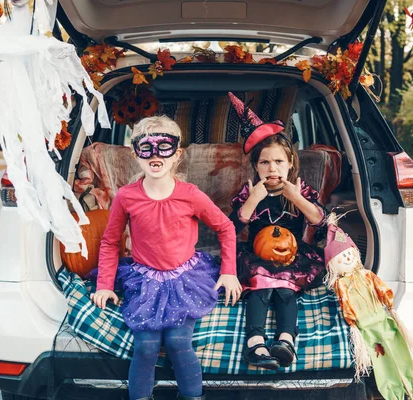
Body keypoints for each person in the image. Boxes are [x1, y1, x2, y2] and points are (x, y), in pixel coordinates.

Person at [90, 115, 242, 400]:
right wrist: (104, 285)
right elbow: (110, 242)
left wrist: (229, 271)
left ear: (177, 155)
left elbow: (225, 227)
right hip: (144, 280)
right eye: (146, 147)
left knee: (177, 342)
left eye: (165, 146)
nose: (155, 155)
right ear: (136, 154)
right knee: (146, 347)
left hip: (185, 281)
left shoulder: (191, 195)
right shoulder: (126, 196)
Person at [227, 92, 329, 370]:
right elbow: (230, 228)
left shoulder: (300, 190)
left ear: (290, 164)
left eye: (279, 162)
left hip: (292, 255)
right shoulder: (251, 192)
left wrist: (296, 198)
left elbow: (321, 221)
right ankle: (255, 343)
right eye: (265, 163)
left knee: (285, 289)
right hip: (256, 254)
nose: (272, 168)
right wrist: (252, 200)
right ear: (256, 166)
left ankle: (286, 340)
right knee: (259, 287)